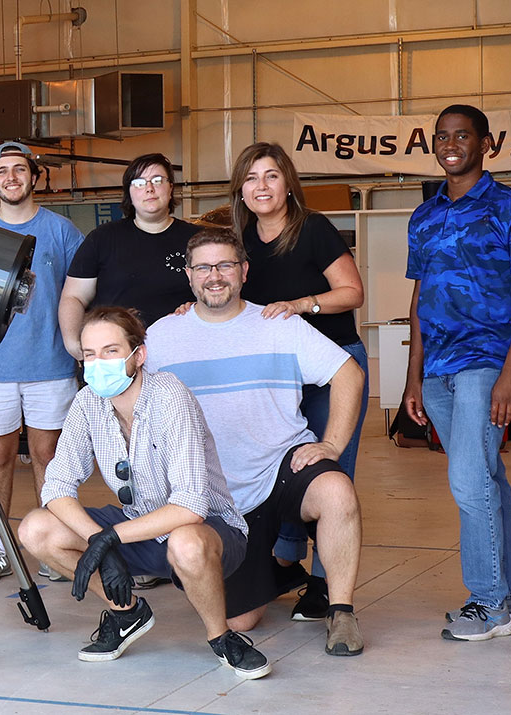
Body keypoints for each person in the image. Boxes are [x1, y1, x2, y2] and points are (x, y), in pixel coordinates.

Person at [16, 307, 270, 680]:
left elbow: (190, 505)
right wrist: (97, 540)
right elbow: (55, 488)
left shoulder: (169, 395)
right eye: (90, 354)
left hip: (209, 532)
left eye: (111, 351)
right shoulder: (88, 403)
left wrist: (107, 541)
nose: (98, 363)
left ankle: (222, 638)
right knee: (35, 529)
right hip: (138, 526)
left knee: (185, 542)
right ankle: (128, 612)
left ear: (139, 355)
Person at [146, 229, 366, 657]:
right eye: (204, 267)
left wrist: (332, 446)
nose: (215, 276)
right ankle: (272, 571)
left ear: (244, 271)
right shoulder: (162, 336)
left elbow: (349, 373)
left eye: (225, 265)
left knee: (337, 491)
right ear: (189, 276)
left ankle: (341, 613)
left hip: (278, 469)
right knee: (240, 622)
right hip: (212, 495)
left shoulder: (278, 325)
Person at [404, 104, 511, 642]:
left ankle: (488, 605)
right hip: (437, 366)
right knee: (488, 478)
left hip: (487, 361)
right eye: (441, 136)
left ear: (485, 143)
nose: (450, 144)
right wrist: (412, 377)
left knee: (468, 481)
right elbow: (420, 299)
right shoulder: (425, 215)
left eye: (462, 135)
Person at [227, 142, 367, 620]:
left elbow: (352, 292)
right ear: (240, 190)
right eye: (251, 178)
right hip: (279, 377)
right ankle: (286, 562)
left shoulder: (313, 229)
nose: (261, 186)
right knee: (280, 469)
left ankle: (327, 586)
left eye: (270, 176)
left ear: (288, 183)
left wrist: (302, 304)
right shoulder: (240, 240)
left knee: (329, 472)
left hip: (331, 369)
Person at [0, 142, 84, 583]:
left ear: (35, 177)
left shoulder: (61, 231)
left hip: (50, 364)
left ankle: (50, 544)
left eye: (20, 169)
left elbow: (83, 292)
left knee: (48, 455)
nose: (11, 177)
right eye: (2, 171)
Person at [60, 153, 199, 360]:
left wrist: (197, 307)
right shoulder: (102, 238)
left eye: (158, 180)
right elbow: (74, 297)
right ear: (129, 192)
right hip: (115, 358)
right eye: (139, 182)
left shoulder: (197, 240)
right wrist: (74, 345)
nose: (149, 188)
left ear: (171, 187)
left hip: (182, 353)